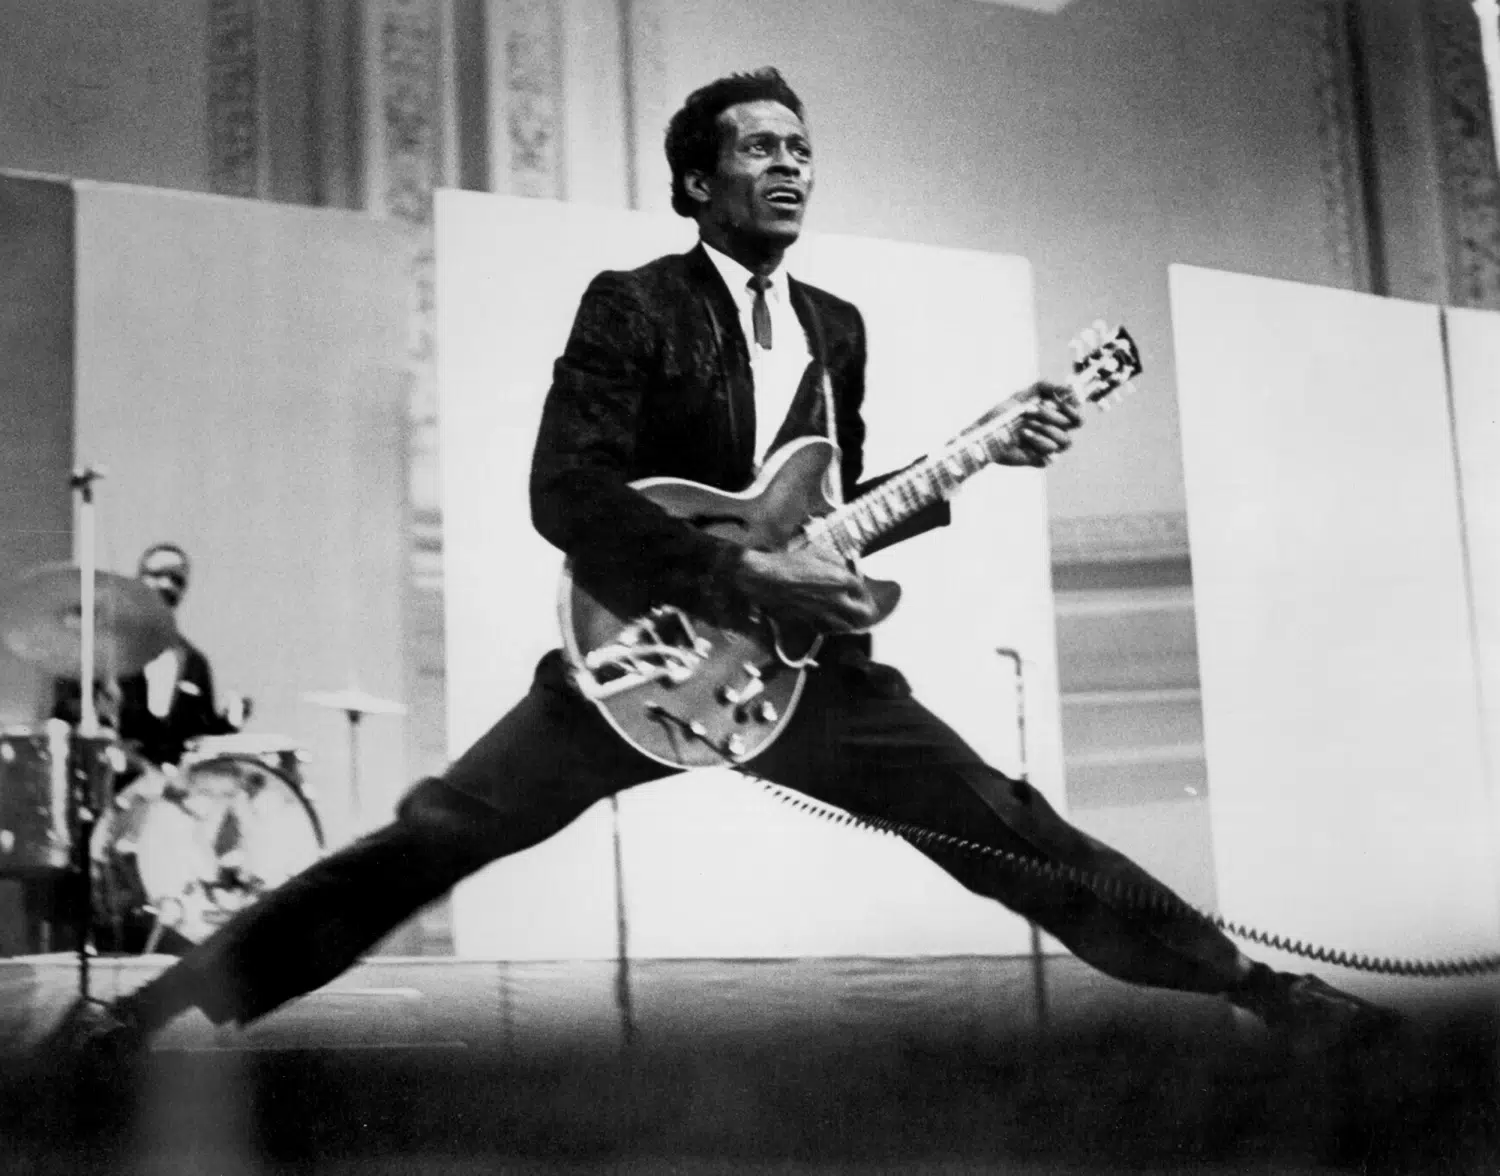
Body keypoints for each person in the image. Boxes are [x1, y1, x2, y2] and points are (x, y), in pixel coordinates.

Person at [52, 67, 1396, 1062]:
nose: (789, 166)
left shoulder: (837, 329)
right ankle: (151, 1015)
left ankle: (1261, 991)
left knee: (1009, 827)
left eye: (802, 149)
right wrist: (743, 585)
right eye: (759, 148)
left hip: (803, 677)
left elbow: (824, 516)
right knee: (437, 834)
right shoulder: (634, 305)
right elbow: (566, 493)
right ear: (698, 181)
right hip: (640, 655)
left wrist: (990, 450)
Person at [53, 542, 251, 775]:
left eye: (177, 579)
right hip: (114, 783)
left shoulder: (195, 663)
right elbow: (66, 712)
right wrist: (98, 723)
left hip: (172, 790)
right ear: (138, 581)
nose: (167, 584)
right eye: (157, 575)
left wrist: (227, 723)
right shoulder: (103, 649)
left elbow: (201, 740)